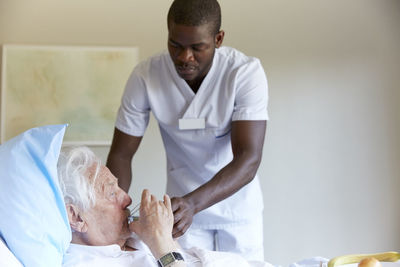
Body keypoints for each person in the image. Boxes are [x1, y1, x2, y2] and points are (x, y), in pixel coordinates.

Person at [107, 0, 269, 260]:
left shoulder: (244, 73)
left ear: (218, 38)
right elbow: (121, 154)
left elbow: (248, 158)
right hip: (181, 216)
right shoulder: (146, 76)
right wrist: (112, 209)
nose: (185, 57)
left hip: (237, 213)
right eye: (176, 45)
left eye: (197, 47)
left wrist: (193, 202)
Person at [58, 146, 272, 267]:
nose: (128, 199)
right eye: (112, 193)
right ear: (76, 217)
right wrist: (163, 244)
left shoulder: (127, 240)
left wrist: (165, 238)